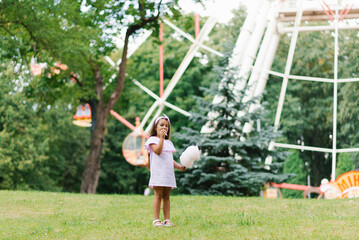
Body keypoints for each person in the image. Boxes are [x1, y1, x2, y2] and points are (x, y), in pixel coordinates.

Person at [144, 114, 186, 227]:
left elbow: (169, 159)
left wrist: (179, 167)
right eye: (161, 125)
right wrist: (161, 138)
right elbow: (157, 151)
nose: (164, 128)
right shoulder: (152, 140)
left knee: (167, 196)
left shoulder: (168, 142)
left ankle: (167, 219)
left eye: (166, 126)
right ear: (155, 128)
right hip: (158, 172)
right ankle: (156, 220)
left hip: (168, 173)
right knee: (158, 195)